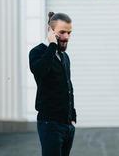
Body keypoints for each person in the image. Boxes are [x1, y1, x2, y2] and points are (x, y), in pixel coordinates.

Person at [29, 12, 76, 156]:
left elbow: (68, 85)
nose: (67, 37)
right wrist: (52, 45)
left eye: (69, 32)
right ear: (51, 31)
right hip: (50, 124)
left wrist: (72, 117)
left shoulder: (64, 57)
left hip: (67, 125)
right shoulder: (36, 52)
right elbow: (40, 71)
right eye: (62, 32)